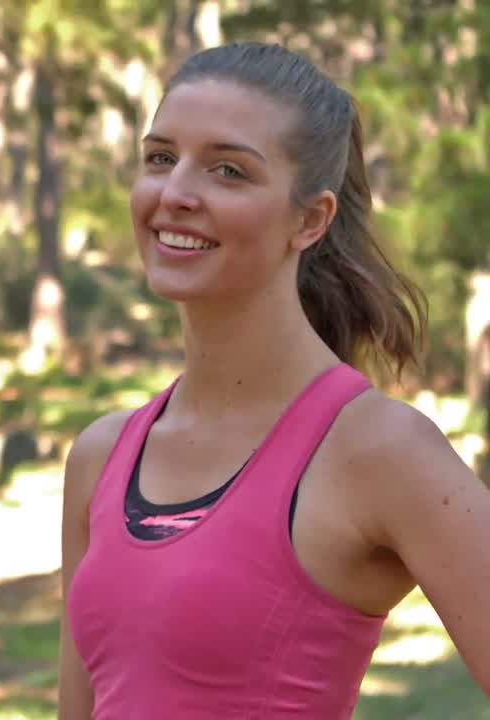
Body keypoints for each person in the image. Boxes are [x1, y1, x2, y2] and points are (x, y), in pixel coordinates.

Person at [57, 42, 490, 718]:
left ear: (310, 219)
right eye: (161, 158)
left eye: (228, 171)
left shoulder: (378, 450)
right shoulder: (100, 456)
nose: (176, 194)